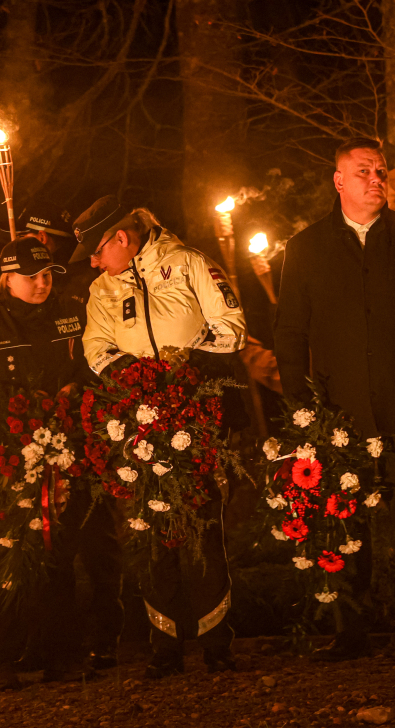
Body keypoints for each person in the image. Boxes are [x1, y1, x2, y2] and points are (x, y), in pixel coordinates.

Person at [274, 137, 395, 660]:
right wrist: (302, 409)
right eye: (363, 170)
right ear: (338, 180)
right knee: (344, 522)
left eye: (380, 170)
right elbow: (290, 333)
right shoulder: (305, 248)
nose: (376, 179)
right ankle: (350, 630)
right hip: (338, 417)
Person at [76, 196, 247, 677]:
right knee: (150, 529)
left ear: (120, 239)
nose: (93, 263)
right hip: (139, 420)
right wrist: (134, 378)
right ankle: (164, 644)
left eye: (96, 251)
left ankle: (216, 642)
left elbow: (232, 328)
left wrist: (184, 370)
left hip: (196, 414)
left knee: (203, 528)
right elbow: (95, 345)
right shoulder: (101, 288)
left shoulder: (189, 262)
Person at [0, 237, 115, 689]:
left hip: (67, 451)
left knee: (60, 554)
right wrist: (12, 406)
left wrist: (78, 390)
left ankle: (61, 654)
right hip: (11, 457)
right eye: (32, 277)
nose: (42, 284)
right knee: (13, 551)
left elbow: (94, 366)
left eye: (47, 276)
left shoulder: (71, 314)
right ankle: (4, 657)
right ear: (7, 280)